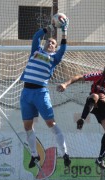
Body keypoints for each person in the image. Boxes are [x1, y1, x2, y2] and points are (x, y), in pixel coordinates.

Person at [20, 14, 71, 169]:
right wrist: (50, 27)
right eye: (49, 41)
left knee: (50, 123)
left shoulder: (54, 58)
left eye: (53, 43)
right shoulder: (35, 51)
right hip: (26, 93)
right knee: (27, 126)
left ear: (54, 48)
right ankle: (35, 155)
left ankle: (65, 153)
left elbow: (63, 49)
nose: (50, 43)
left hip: (41, 93)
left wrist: (64, 32)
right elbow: (36, 36)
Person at [57, 59, 105, 169]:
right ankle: (82, 118)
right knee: (95, 96)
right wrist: (65, 84)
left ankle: (100, 159)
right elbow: (79, 77)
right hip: (94, 103)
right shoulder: (98, 75)